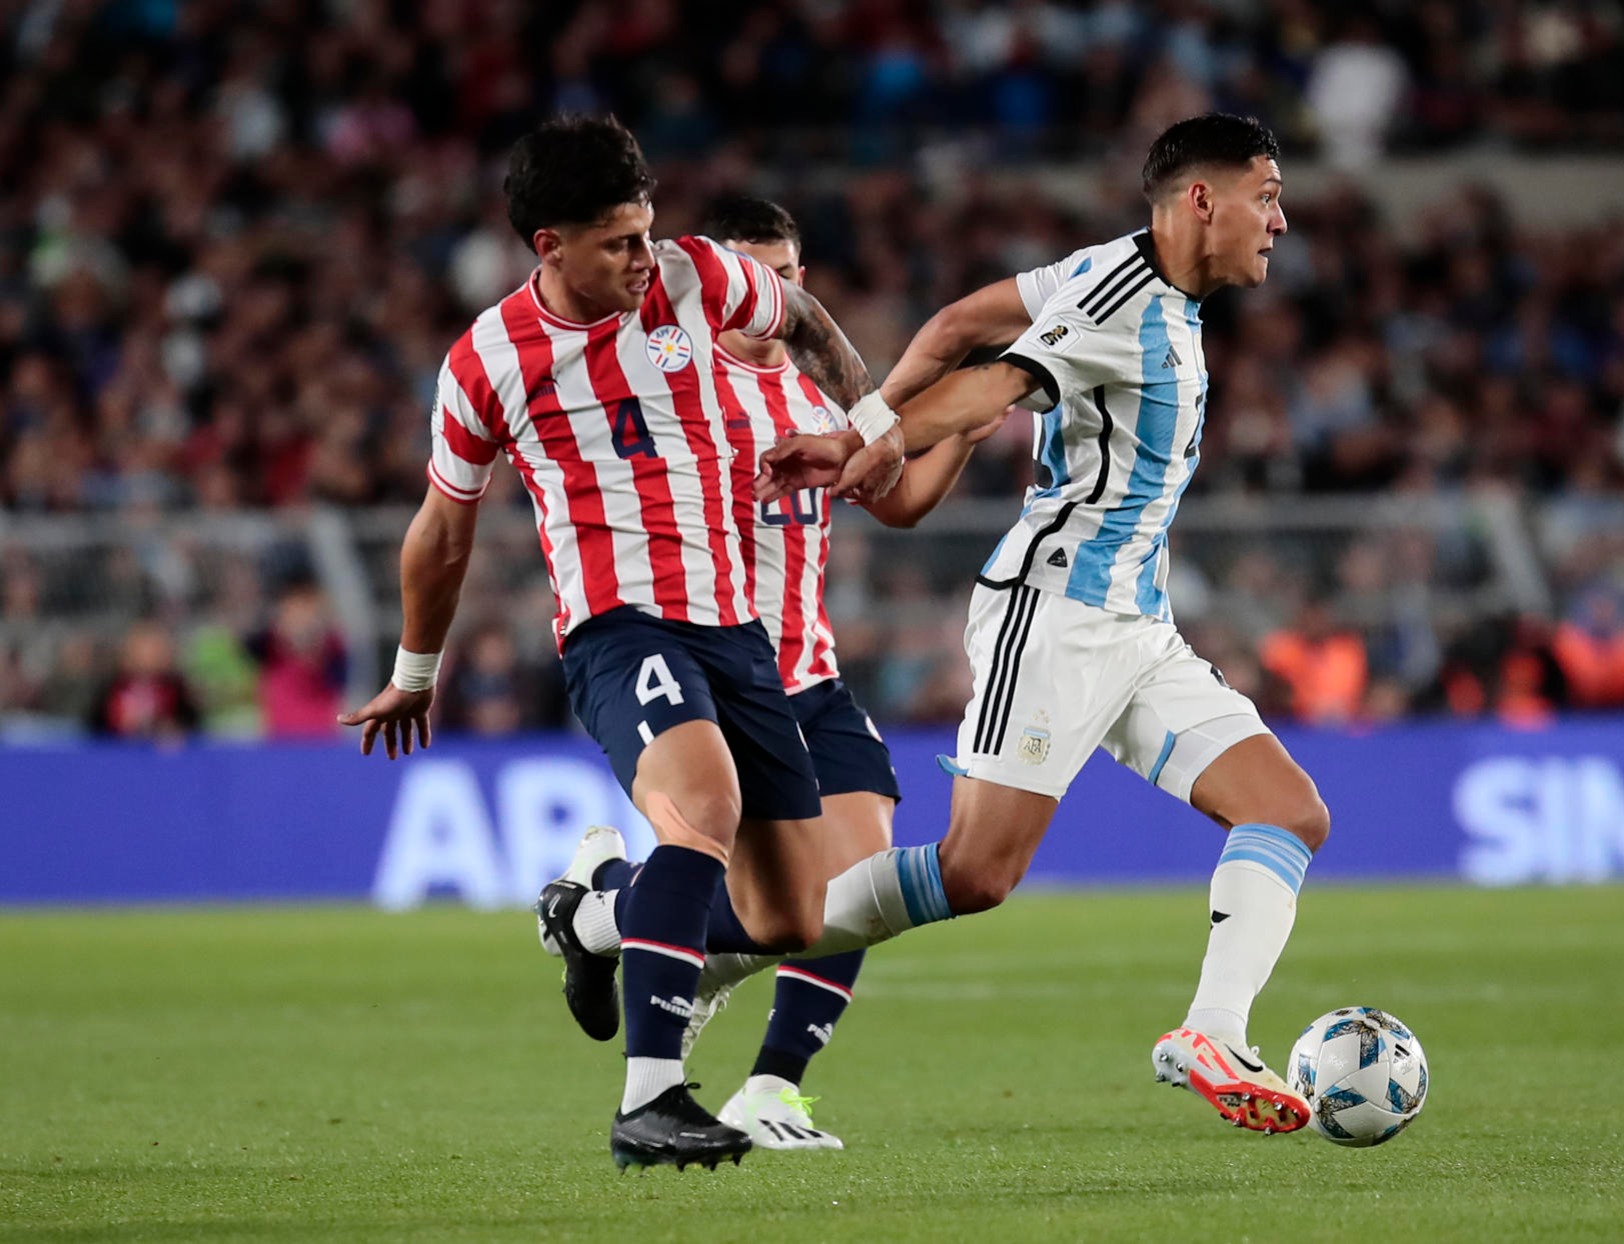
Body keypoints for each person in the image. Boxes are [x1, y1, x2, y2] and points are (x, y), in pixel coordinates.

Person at [337, 116, 901, 1172]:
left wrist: (871, 418)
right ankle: (652, 1098)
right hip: (617, 624)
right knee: (703, 809)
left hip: (736, 630)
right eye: (617, 243)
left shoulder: (696, 278)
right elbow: (443, 525)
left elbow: (809, 317)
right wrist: (416, 668)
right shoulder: (487, 360)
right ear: (548, 245)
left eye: (647, 234)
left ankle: (592, 918)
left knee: (791, 913)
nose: (645, 259)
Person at [750, 114, 1326, 1136]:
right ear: (1203, 200)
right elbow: (996, 379)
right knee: (976, 873)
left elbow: (957, 321)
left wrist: (876, 427)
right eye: (1266, 194)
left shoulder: (1109, 272)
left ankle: (1213, 1029)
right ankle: (687, 937)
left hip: (1139, 626)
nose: (1278, 219)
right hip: (1054, 613)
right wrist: (861, 436)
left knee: (1288, 810)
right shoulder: (1121, 296)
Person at [542, 195, 1002, 1150]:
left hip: (813, 674)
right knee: (783, 900)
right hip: (720, 675)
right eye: (756, 274)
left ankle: (769, 1086)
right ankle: (604, 915)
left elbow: (901, 501)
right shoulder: (674, 390)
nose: (774, 295)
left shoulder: (821, 401)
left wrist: (959, 422)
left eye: (789, 276)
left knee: (858, 886)